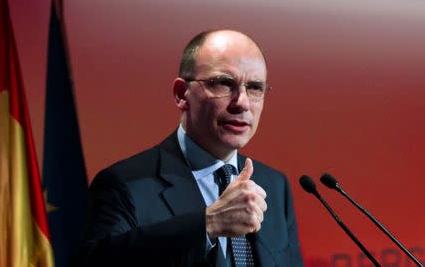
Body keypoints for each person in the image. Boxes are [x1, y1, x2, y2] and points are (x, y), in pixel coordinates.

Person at [73, 29, 303, 266]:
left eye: (255, 87)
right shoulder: (124, 184)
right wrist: (208, 225)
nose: (242, 102)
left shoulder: (274, 186)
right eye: (223, 84)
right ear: (182, 94)